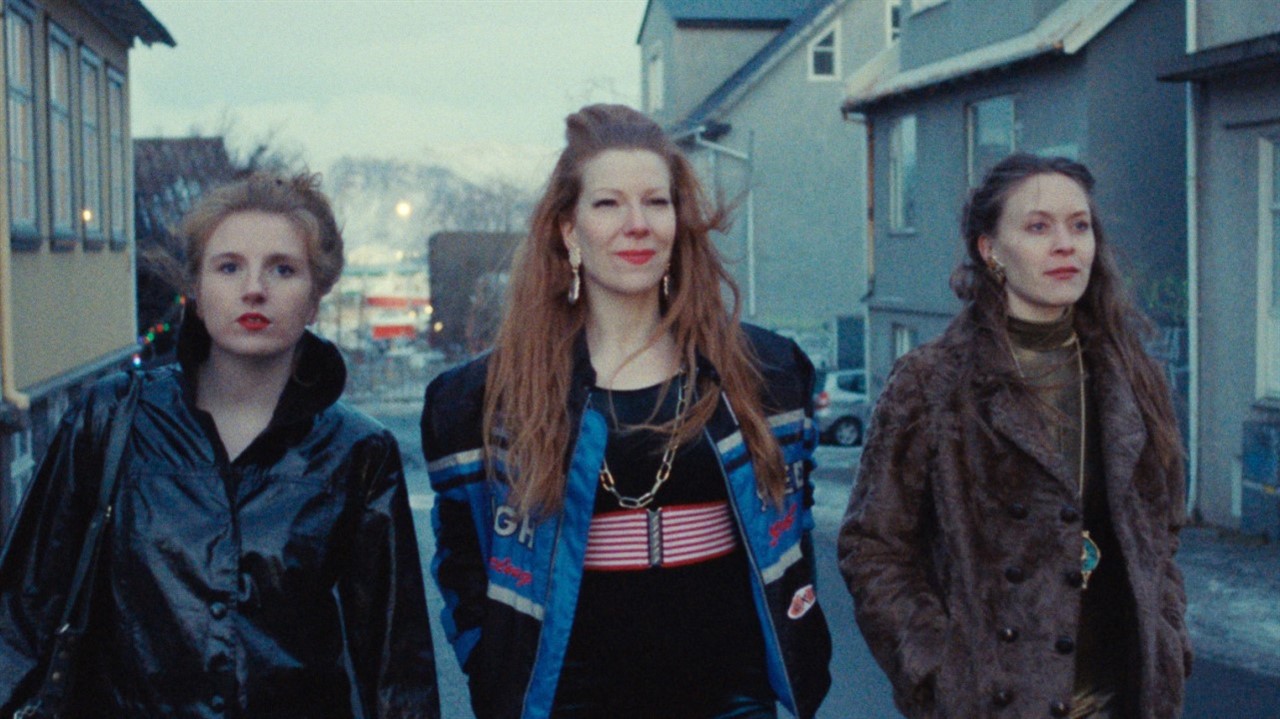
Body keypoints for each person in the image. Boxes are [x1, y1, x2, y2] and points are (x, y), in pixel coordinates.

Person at [421, 104, 832, 719]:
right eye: (609, 204)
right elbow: (463, 568)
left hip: (731, 700)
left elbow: (793, 539)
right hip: (569, 705)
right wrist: (493, 668)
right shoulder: (486, 399)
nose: (637, 224)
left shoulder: (763, 374)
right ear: (568, 228)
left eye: (657, 203)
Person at [0, 172, 439, 718]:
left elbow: (396, 665)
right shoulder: (111, 418)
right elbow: (22, 612)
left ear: (316, 298)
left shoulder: (356, 452)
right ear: (197, 292)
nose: (254, 289)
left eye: (283, 269)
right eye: (228, 267)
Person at [837, 153, 1191, 719]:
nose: (1065, 244)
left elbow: (1161, 533)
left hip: (1124, 695)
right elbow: (872, 545)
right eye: (1037, 226)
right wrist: (936, 667)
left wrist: (1170, 639)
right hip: (997, 702)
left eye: (1080, 226)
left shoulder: (1132, 376)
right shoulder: (934, 382)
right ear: (989, 249)